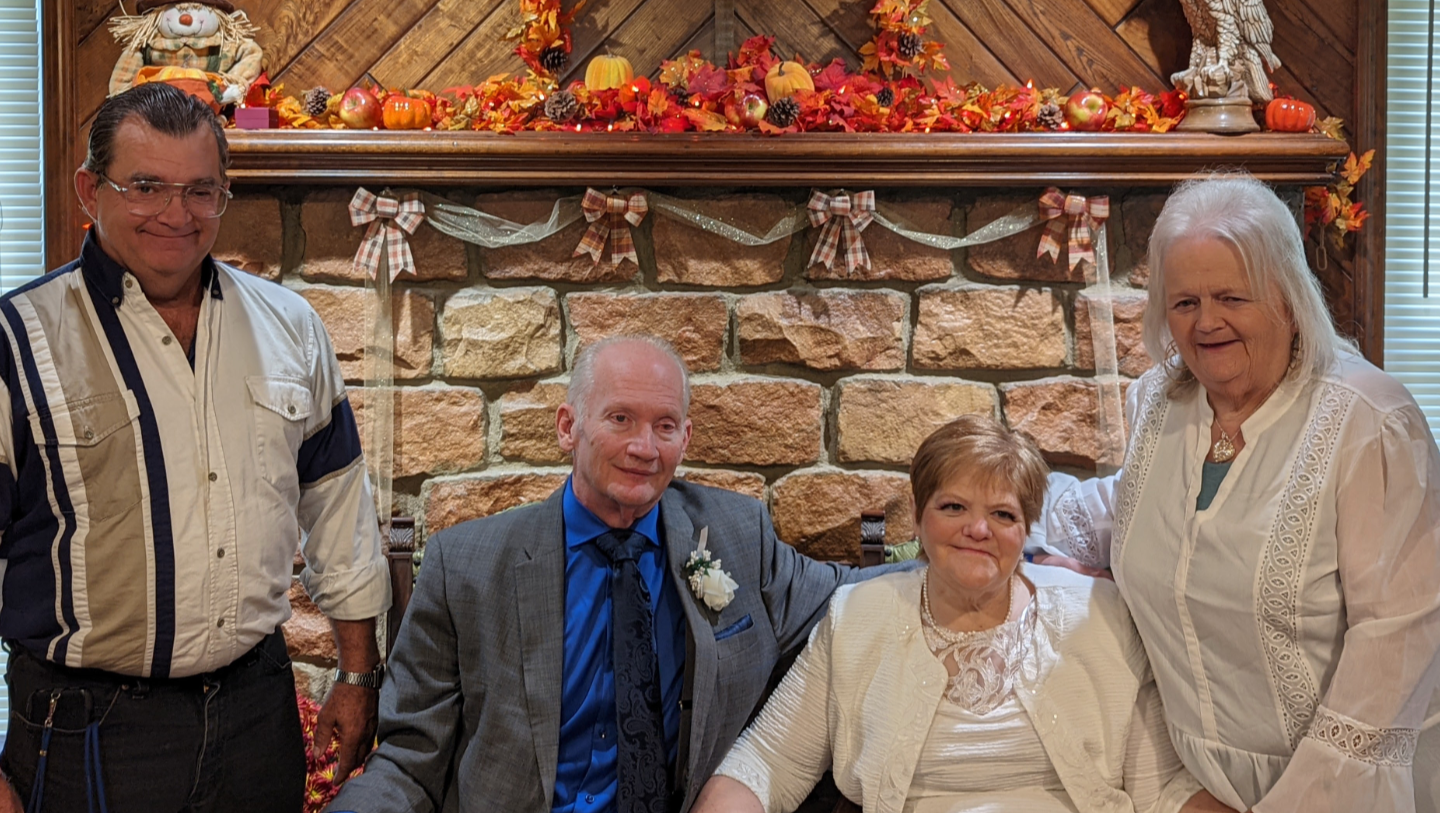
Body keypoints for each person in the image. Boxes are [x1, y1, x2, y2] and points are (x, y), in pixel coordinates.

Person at [0, 83, 390, 812]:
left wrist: (357, 673)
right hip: (86, 730)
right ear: (90, 190)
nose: (177, 215)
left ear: (223, 196)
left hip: (257, 715)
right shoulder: (16, 343)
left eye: (201, 191)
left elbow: (340, 512)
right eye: (146, 186)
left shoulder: (290, 326)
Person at [326, 335, 904, 813]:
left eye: (665, 426)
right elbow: (410, 760)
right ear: (568, 426)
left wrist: (956, 550)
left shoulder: (738, 535)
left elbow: (851, 596)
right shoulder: (465, 566)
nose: (643, 447)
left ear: (685, 439)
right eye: (620, 419)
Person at [1031, 173, 1440, 812]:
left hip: (1340, 790)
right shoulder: (1158, 401)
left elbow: (1395, 646)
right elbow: (1138, 511)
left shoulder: (1370, 422)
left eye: (1231, 297)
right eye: (1184, 302)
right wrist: (996, 513)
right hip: (1197, 790)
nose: (1207, 323)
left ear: (1287, 297)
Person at [693, 414, 1209, 813]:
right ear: (919, 517)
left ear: (1026, 529)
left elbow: (1163, 789)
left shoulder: (1099, 614)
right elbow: (767, 762)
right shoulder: (857, 617)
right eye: (954, 507)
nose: (977, 530)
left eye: (1002, 514)